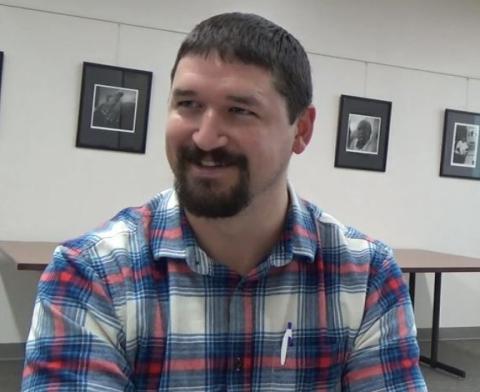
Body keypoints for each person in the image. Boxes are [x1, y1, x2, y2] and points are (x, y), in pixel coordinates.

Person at [22, 12, 426, 391]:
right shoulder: (90, 274)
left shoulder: (366, 276)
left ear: (301, 129)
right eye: (188, 105)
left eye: (239, 110)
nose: (205, 137)